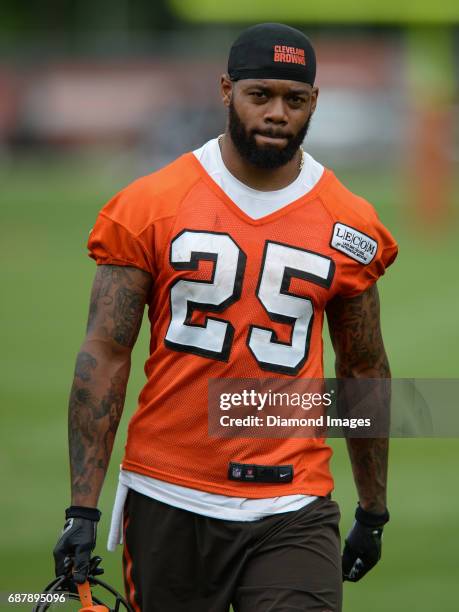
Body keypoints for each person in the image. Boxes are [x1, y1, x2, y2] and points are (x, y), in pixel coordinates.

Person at [53, 22, 397, 612]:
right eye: (260, 95)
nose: (276, 114)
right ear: (225, 90)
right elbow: (106, 355)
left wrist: (373, 508)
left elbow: (364, 369)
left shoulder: (350, 223)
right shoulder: (149, 204)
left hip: (293, 503)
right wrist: (81, 508)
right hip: (169, 494)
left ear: (315, 101)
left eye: (294, 99)